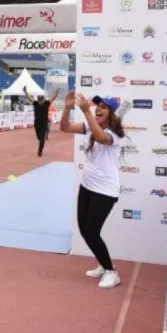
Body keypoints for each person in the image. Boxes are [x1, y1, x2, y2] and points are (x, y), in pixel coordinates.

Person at [60, 91, 125, 289]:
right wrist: (67, 108)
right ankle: (104, 264)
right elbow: (64, 127)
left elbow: (100, 136)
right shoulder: (90, 126)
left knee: (91, 230)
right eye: (98, 106)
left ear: (112, 114)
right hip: (87, 186)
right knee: (84, 230)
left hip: (105, 191)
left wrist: (87, 112)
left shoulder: (115, 135)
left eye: (104, 107)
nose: (98, 109)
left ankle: (111, 272)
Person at [24, 86, 60, 157]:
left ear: (43, 99)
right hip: (37, 124)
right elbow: (29, 98)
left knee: (42, 138)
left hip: (44, 123)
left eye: (41, 100)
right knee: (39, 137)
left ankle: (40, 150)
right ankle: (41, 142)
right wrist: (25, 92)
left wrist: (57, 92)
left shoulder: (47, 103)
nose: (40, 101)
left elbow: (53, 98)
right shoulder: (36, 103)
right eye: (39, 100)